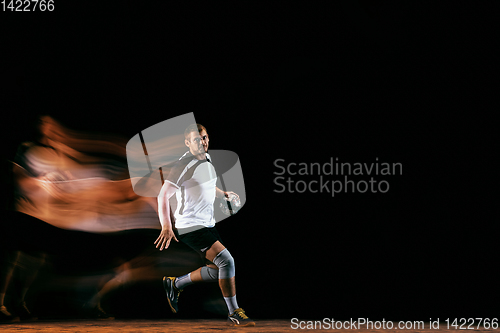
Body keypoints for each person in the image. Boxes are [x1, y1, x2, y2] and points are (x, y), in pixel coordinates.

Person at [155, 124, 254, 327]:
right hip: (190, 226)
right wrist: (166, 225)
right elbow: (163, 195)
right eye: (198, 139)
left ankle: (175, 283)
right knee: (227, 262)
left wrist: (222, 194)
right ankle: (234, 312)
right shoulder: (183, 164)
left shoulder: (206, 158)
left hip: (207, 223)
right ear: (188, 143)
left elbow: (205, 183)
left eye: (205, 137)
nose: (203, 142)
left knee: (220, 271)